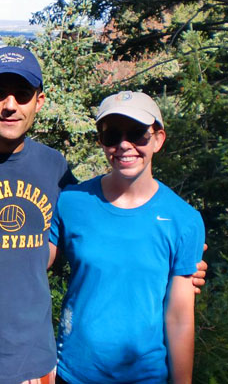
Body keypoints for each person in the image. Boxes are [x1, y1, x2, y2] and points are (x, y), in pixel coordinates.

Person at [0, 48, 206, 384]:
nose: (10, 105)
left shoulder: (54, 170)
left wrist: (184, 264)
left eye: (23, 94)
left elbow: (91, 238)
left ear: (39, 102)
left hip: (37, 366)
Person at [50, 91, 205, 384]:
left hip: (145, 376)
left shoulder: (184, 220)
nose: (124, 145)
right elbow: (29, 260)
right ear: (101, 141)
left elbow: (180, 317)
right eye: (112, 135)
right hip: (74, 373)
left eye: (137, 134)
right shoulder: (71, 202)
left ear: (158, 138)